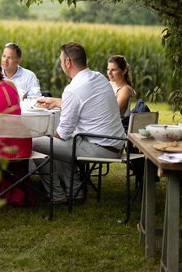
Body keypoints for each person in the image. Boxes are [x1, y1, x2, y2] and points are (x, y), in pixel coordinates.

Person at [33, 43, 125, 203]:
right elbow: (86, 104)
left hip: (100, 148)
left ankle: (57, 195)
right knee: (58, 144)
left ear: (68, 62)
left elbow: (62, 133)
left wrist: (49, 138)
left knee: (36, 143)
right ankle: (74, 190)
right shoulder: (98, 77)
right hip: (116, 143)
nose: (60, 63)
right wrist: (56, 101)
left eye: (61, 60)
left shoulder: (73, 89)